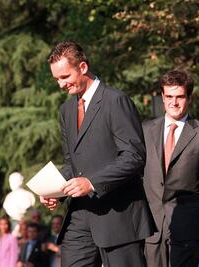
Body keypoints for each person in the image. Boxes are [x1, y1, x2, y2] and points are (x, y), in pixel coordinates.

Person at [40, 40, 153, 267]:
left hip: (118, 216)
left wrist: (91, 183)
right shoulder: (66, 111)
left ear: (83, 67)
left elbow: (135, 156)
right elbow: (72, 162)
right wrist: (56, 190)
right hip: (79, 217)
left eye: (65, 77)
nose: (61, 84)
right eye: (57, 79)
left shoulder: (116, 101)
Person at [142, 70, 199, 267]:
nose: (174, 102)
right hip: (151, 226)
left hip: (187, 227)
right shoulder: (145, 130)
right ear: (162, 97)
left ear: (189, 97)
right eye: (169, 96)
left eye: (180, 96)